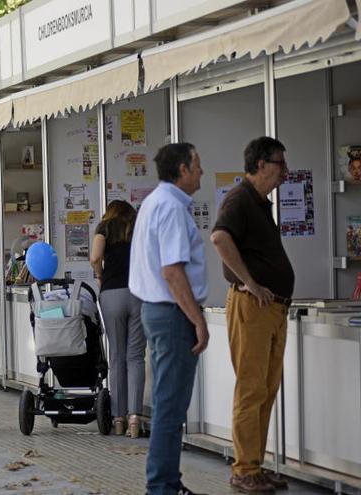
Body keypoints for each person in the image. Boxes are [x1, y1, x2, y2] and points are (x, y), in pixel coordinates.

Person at [211, 137, 294, 493]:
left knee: (265, 389)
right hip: (253, 308)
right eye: (280, 164)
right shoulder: (240, 199)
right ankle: (244, 469)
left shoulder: (261, 203)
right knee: (251, 389)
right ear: (261, 165)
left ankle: (255, 466)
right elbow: (219, 238)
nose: (285, 173)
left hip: (272, 308)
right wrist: (251, 282)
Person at [129, 143, 208, 495]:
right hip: (172, 313)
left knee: (168, 401)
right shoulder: (172, 208)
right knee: (170, 404)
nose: (202, 173)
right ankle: (161, 485)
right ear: (182, 170)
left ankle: (168, 482)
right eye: (197, 166)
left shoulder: (153, 203)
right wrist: (198, 319)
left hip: (157, 310)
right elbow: (173, 271)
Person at [90, 199, 145, 438]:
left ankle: (118, 417)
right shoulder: (139, 226)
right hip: (139, 293)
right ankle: (135, 417)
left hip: (112, 293)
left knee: (117, 356)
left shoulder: (104, 227)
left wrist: (100, 275)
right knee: (136, 357)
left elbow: (95, 257)